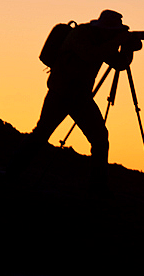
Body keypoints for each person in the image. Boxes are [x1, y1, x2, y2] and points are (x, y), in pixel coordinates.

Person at [7, 10, 136, 196]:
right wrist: (117, 41)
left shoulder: (104, 39)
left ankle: (98, 189)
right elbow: (90, 54)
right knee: (42, 134)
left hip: (81, 97)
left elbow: (119, 64)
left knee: (100, 139)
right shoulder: (82, 34)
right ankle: (12, 172)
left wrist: (128, 49)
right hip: (61, 92)